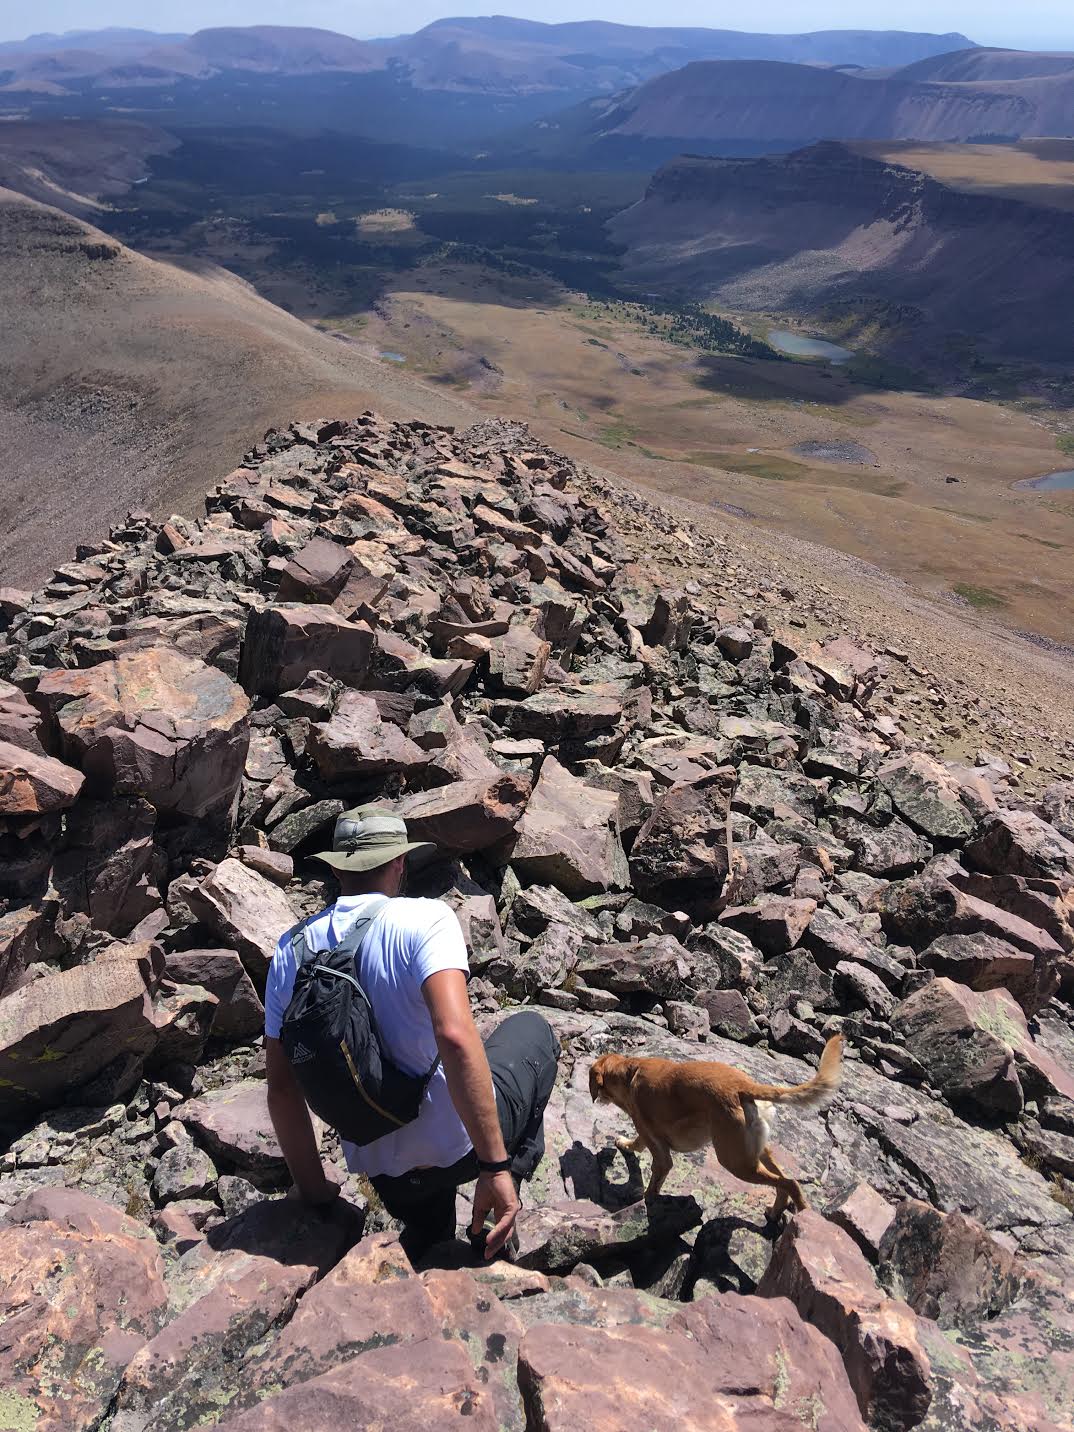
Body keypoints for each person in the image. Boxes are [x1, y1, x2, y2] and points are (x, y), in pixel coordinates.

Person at [263, 805, 560, 1262]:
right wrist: (495, 1165)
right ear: (399, 862)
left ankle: (429, 1235)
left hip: (385, 1171)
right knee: (533, 1030)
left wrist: (314, 1190)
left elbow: (282, 1090)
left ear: (337, 868)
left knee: (422, 1213)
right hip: (462, 1151)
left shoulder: (290, 950)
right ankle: (502, 1193)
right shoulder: (426, 919)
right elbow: (455, 1036)